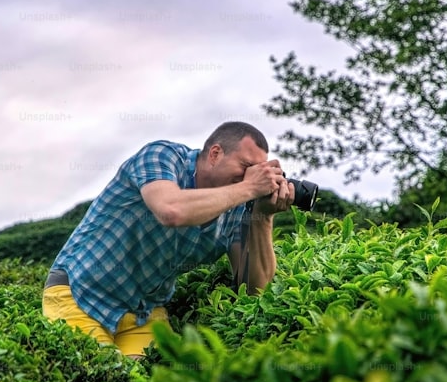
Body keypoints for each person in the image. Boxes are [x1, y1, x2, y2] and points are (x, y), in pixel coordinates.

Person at [42, 121, 295, 359]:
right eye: (246, 167)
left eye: (259, 172)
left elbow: (256, 288)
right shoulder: (162, 157)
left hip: (144, 313)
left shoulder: (239, 209)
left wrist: (263, 216)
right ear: (215, 154)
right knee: (100, 379)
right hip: (80, 294)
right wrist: (250, 188)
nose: (253, 177)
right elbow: (171, 210)